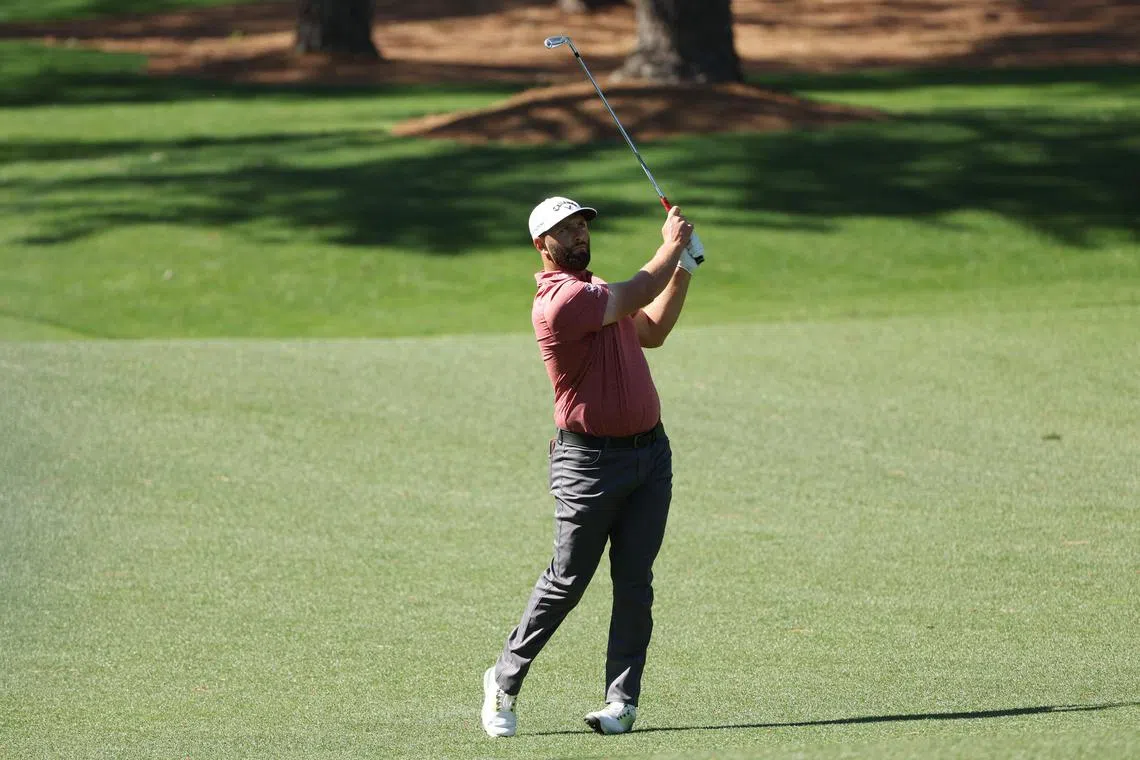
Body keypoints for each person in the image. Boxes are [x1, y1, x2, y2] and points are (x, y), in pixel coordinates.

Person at [481, 196, 703, 737]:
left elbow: (651, 329)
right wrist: (671, 247)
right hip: (589, 464)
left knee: (634, 582)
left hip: (650, 456)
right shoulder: (562, 301)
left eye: (582, 226)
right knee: (568, 580)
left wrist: (685, 271)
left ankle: (621, 702)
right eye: (565, 230)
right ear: (542, 245)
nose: (579, 235)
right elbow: (637, 291)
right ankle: (504, 681)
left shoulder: (596, 291)